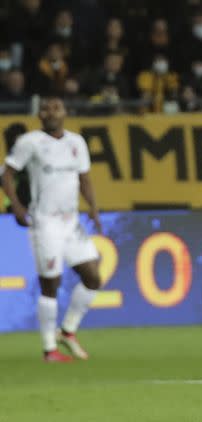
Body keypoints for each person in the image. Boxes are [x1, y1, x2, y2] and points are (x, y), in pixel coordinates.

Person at [1, 97, 102, 363]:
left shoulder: (76, 142)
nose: (51, 112)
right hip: (45, 221)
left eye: (56, 107)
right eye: (46, 108)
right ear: (39, 114)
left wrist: (93, 207)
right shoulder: (30, 142)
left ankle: (67, 331)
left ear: (65, 112)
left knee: (93, 277)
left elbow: (84, 178)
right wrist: (18, 207)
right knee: (51, 283)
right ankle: (49, 349)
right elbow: (6, 174)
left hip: (71, 221)